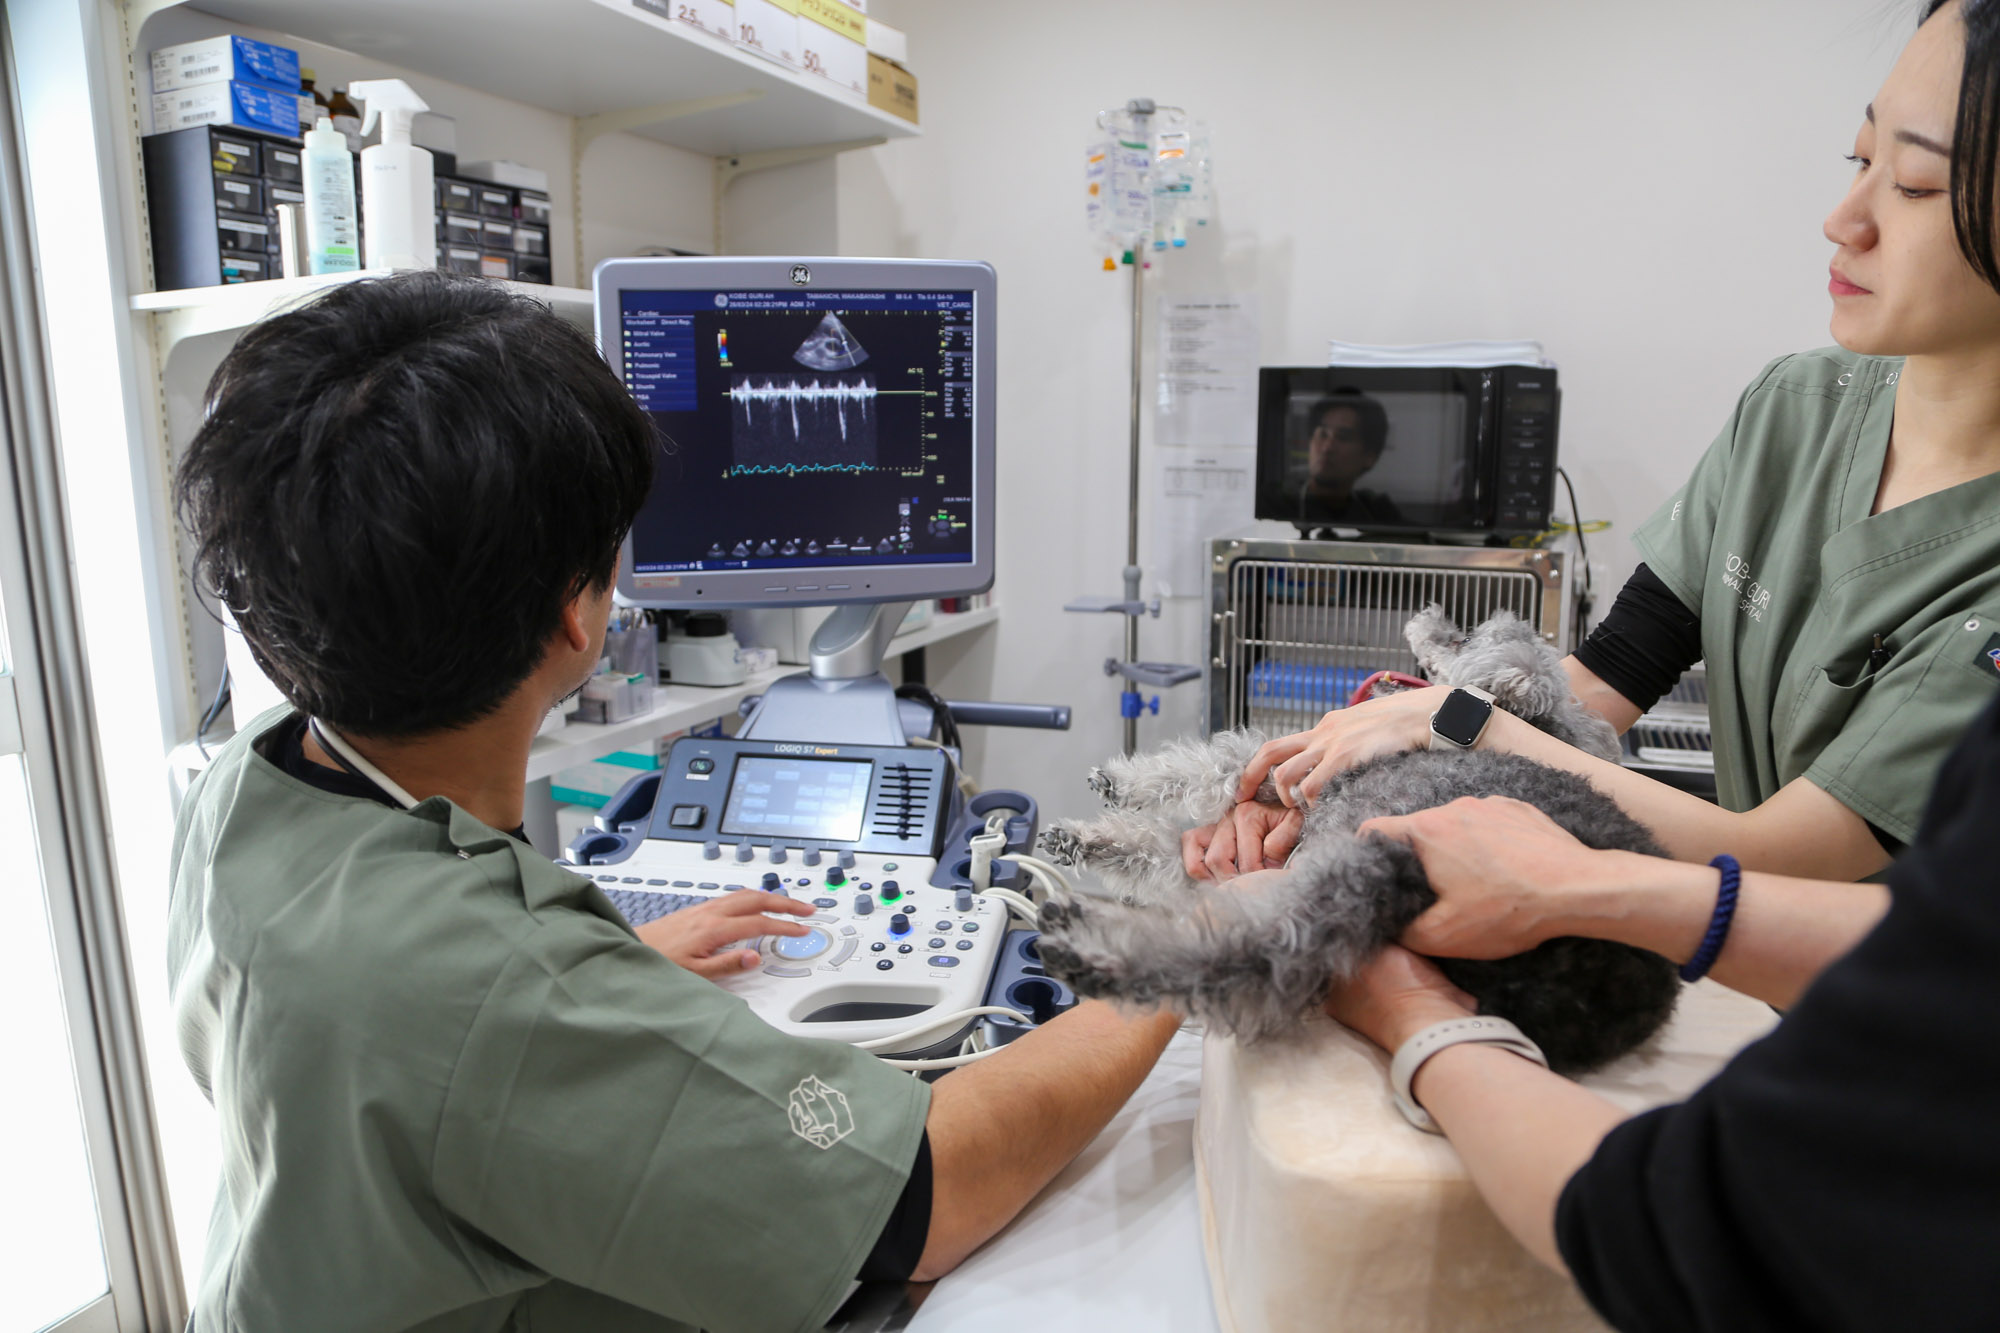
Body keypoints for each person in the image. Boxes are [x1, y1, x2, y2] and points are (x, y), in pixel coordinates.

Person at [166, 271, 1182, 1331]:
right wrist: (1177, 958)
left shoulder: (252, 783)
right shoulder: (495, 988)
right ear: (577, 612)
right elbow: (924, 1194)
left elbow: (389, 1044)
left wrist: (605, 983)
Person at [1194, 0, 2000, 888]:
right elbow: (1599, 679)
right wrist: (1324, 772)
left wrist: (1458, 721)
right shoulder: (1796, 408)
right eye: (1860, 157)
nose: (1844, 218)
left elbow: (1791, 855)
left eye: (1916, 184)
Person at [1295, 391, 1403, 527]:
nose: (1327, 448)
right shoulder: (1278, 503)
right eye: (1322, 434)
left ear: (1369, 457)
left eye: (1343, 437)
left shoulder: (1375, 509)